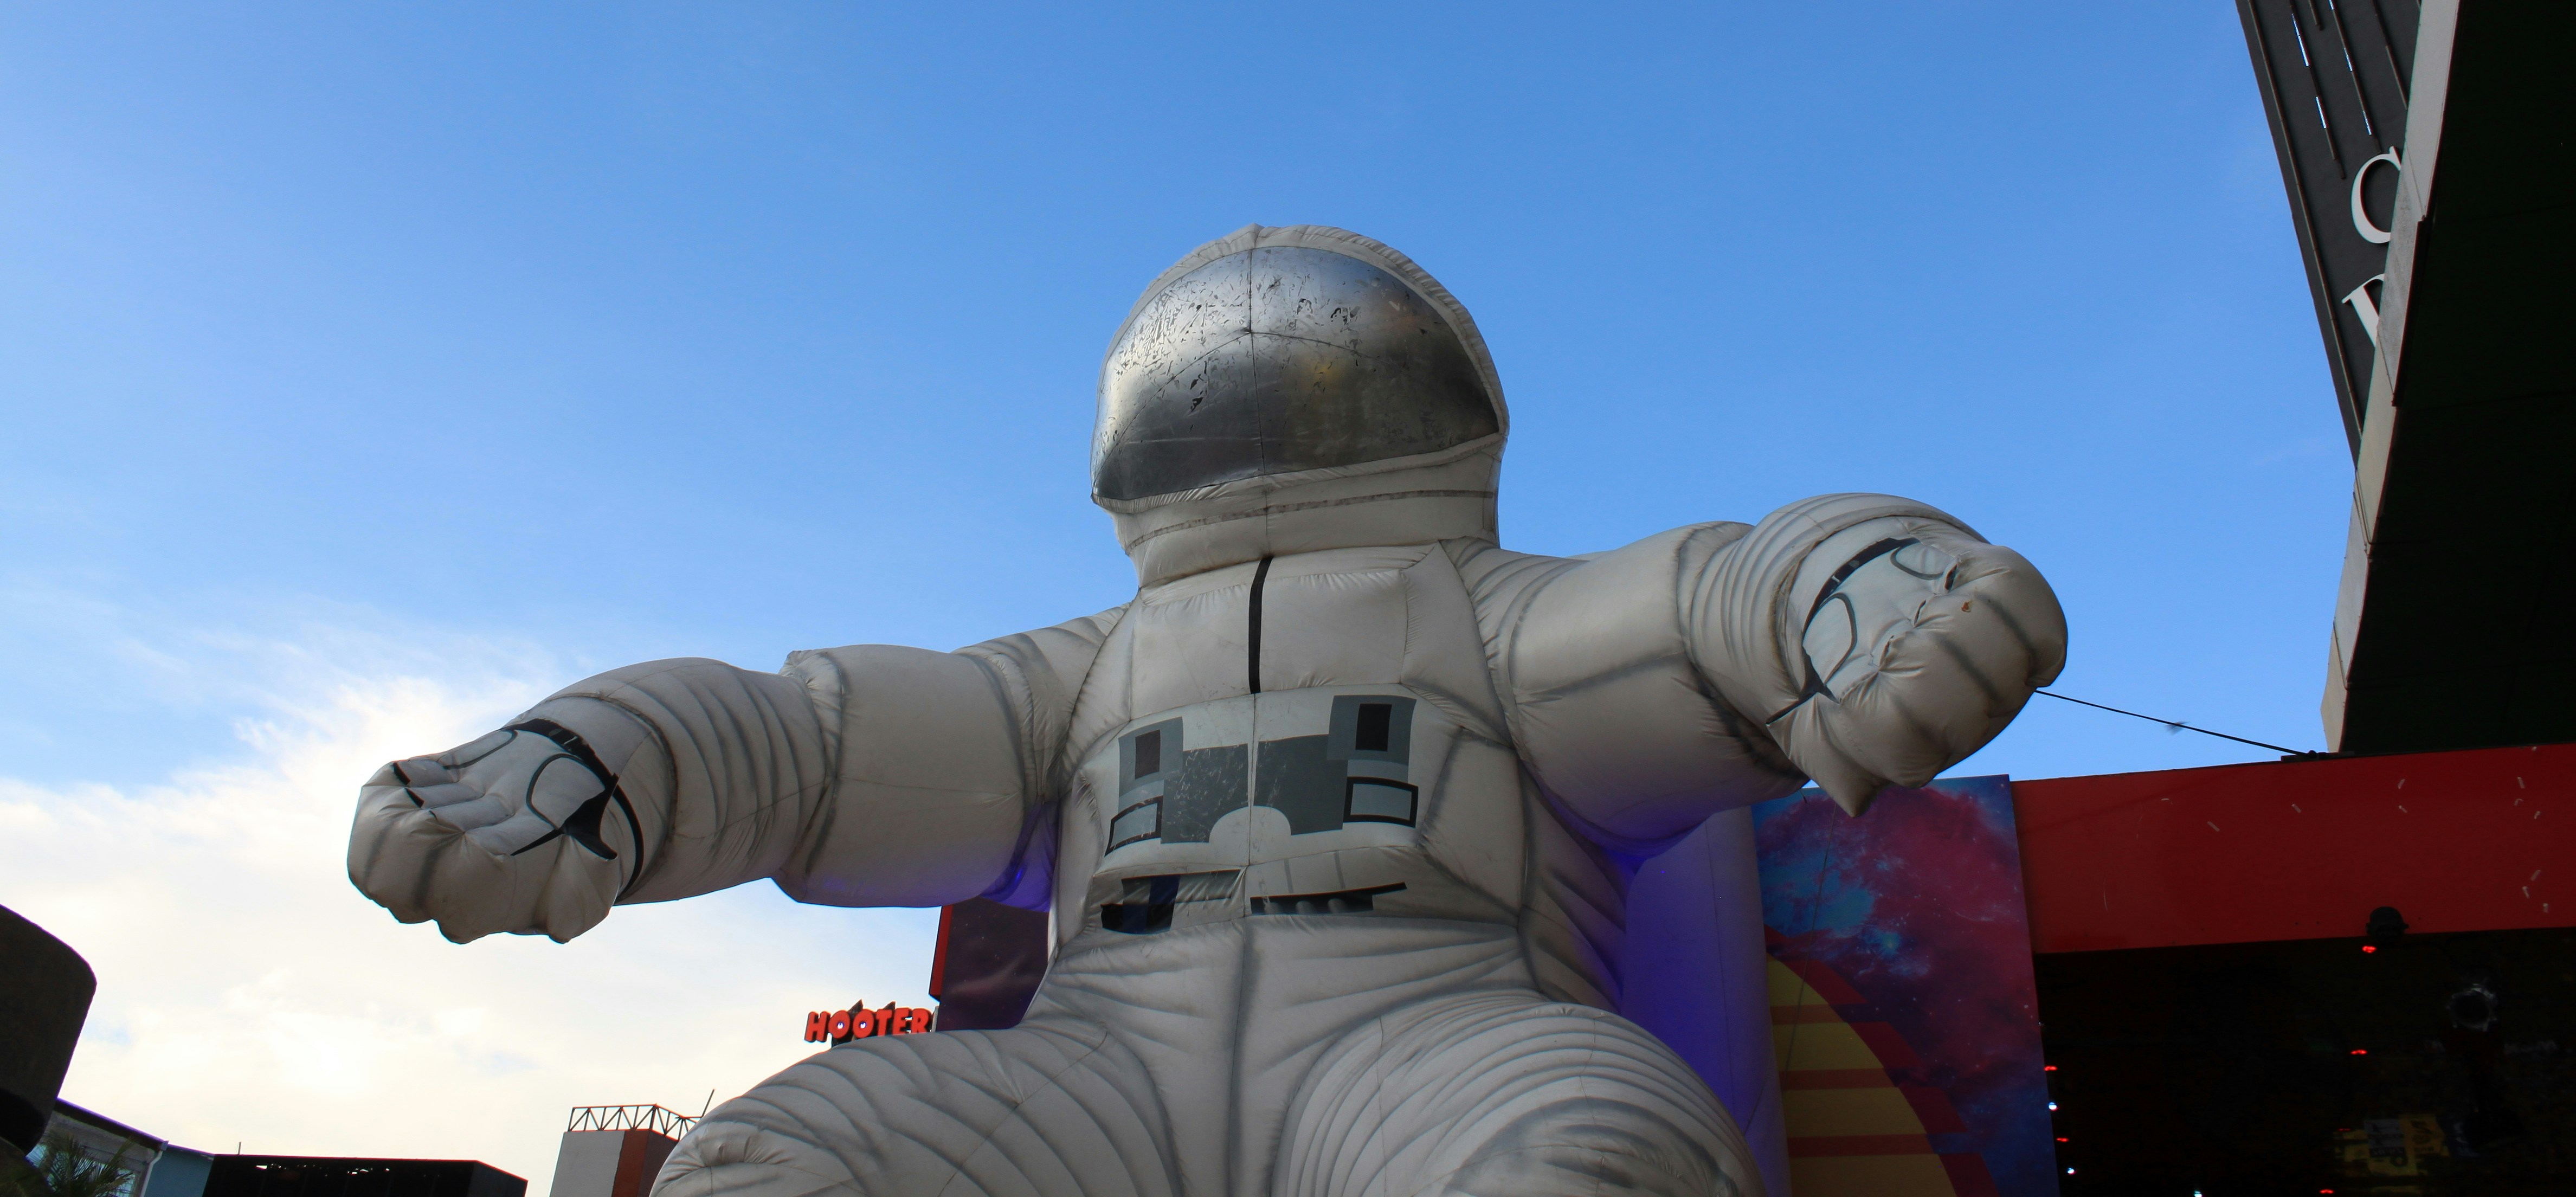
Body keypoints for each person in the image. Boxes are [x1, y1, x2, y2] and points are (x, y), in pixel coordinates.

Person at [350, 224, 2066, 1197]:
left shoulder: (1506, 624)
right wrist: (597, 759)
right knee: (792, 1161)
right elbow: (809, 744)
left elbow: (1723, 601)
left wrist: (1868, 588)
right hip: (1099, 1074)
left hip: (1441, 1047)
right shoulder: (1082, 674)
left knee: (1581, 1162)